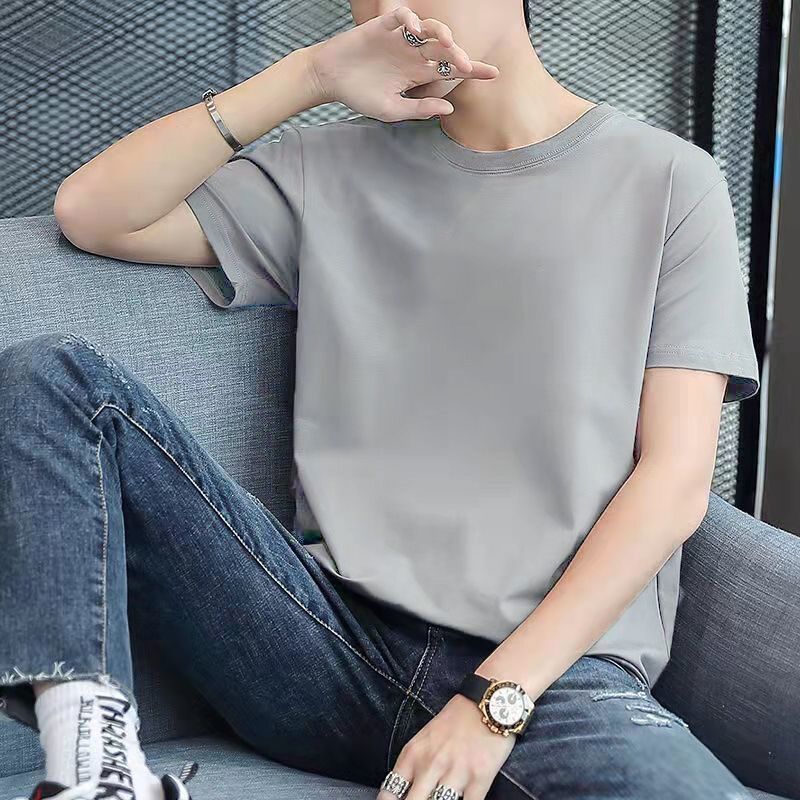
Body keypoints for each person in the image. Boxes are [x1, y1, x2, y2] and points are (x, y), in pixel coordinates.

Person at [0, 1, 769, 799]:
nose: (396, 6)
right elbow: (94, 213)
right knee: (57, 381)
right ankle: (95, 773)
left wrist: (494, 702)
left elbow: (674, 480)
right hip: (322, 644)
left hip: (552, 680)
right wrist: (310, 75)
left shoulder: (669, 182)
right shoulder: (323, 171)